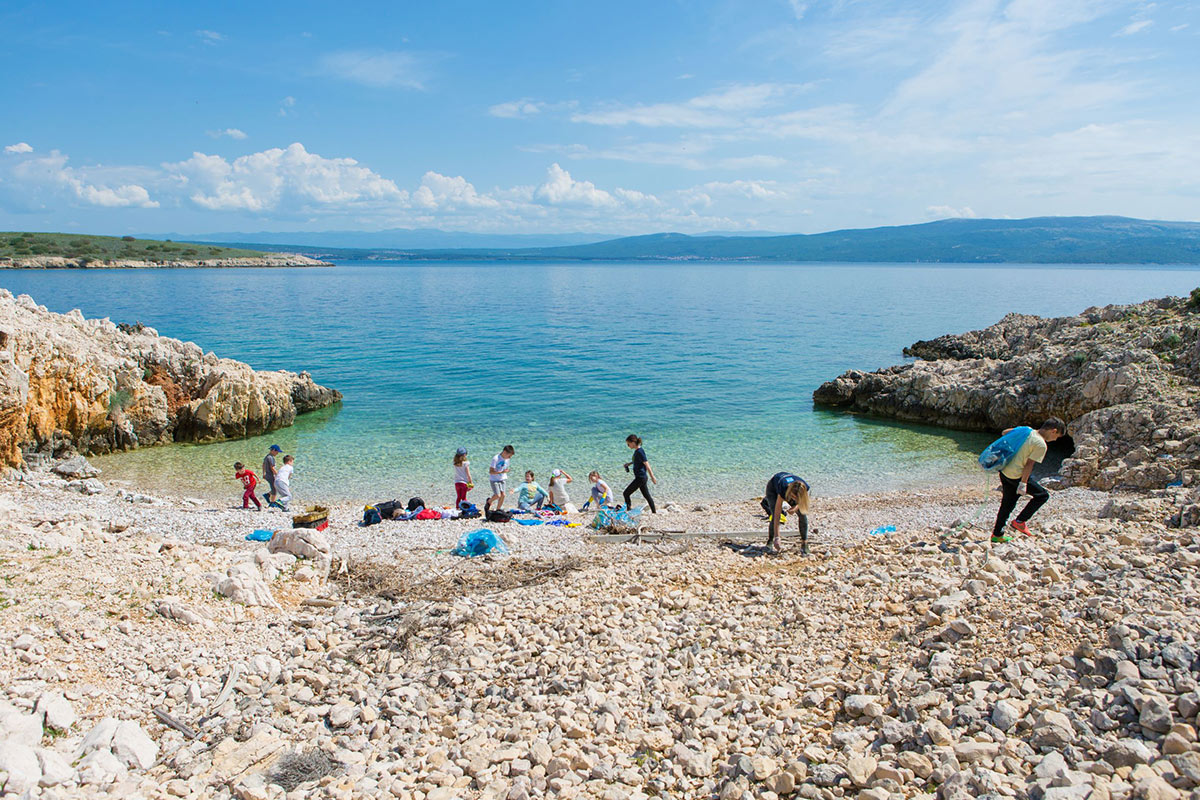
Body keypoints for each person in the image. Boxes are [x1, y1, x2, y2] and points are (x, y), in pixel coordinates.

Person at [992, 417, 1066, 543]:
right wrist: (1023, 483)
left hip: (1005, 471)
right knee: (1042, 496)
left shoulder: (1026, 430)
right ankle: (1020, 521)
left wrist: (1020, 431)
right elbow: (1029, 464)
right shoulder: (1040, 444)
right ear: (1053, 431)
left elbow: (1004, 432)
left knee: (1007, 504)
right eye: (1057, 436)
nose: (1055, 440)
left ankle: (997, 535)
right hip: (1017, 475)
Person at [762, 472, 811, 554]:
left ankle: (804, 543)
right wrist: (777, 537)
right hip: (773, 488)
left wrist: (795, 507)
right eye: (793, 497)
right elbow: (777, 515)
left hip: (793, 489)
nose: (794, 499)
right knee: (774, 515)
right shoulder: (783, 489)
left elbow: (804, 502)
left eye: (796, 498)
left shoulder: (805, 488)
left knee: (802, 514)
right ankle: (770, 542)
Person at [622, 434, 658, 513]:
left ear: (633, 442)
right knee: (647, 496)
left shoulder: (640, 451)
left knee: (626, 493)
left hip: (640, 478)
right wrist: (629, 464)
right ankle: (654, 512)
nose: (628, 446)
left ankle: (628, 511)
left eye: (628, 444)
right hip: (641, 477)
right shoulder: (637, 451)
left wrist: (652, 477)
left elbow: (647, 464)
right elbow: (637, 461)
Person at [485, 445, 515, 516]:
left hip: (503, 478)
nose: (509, 457)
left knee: (503, 495)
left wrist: (506, 471)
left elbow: (504, 468)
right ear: (504, 452)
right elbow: (491, 471)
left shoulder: (507, 459)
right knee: (497, 495)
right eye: (509, 455)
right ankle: (489, 501)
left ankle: (498, 510)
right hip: (494, 479)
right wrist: (500, 472)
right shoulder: (496, 458)